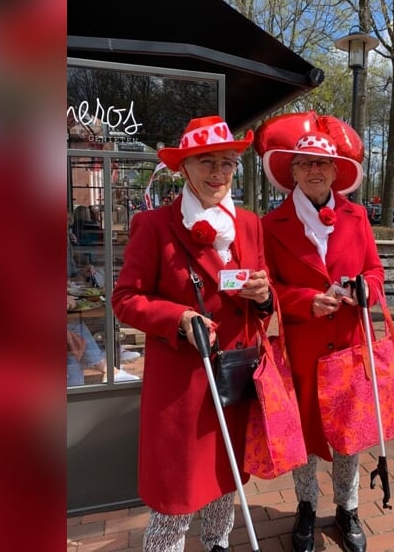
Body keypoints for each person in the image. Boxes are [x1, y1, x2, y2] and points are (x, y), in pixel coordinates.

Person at [111, 115, 273, 552]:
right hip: (181, 387)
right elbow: (125, 298)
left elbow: (263, 291)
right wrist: (178, 319)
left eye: (226, 163)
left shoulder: (251, 224)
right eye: (207, 162)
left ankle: (218, 544)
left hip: (233, 379)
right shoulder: (154, 225)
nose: (218, 173)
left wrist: (263, 295)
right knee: (176, 497)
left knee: (226, 479)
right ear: (185, 168)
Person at [259, 129, 385, 552]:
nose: (315, 170)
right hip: (303, 349)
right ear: (292, 172)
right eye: (305, 163)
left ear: (336, 171)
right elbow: (268, 286)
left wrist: (364, 288)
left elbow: (374, 271)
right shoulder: (270, 225)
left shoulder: (358, 216)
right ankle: (307, 505)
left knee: (349, 430)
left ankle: (348, 507)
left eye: (323, 163)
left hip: (350, 343)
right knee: (306, 432)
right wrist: (302, 302)